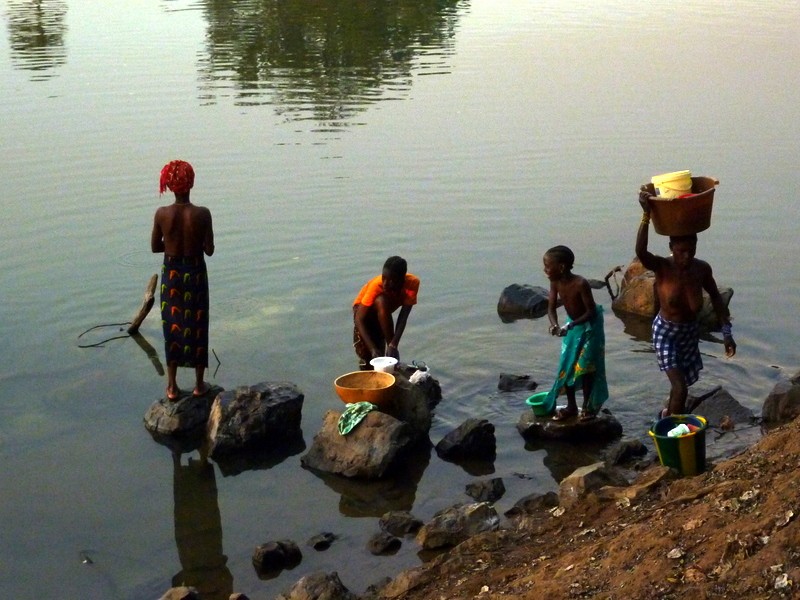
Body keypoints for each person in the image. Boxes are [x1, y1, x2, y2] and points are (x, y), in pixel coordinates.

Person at [636, 190, 736, 417]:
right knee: (680, 388)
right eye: (681, 252)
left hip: (689, 333)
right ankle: (673, 433)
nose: (687, 256)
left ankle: (666, 415)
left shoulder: (701, 269)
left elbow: (717, 299)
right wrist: (646, 215)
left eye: (692, 251)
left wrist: (727, 333)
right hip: (665, 333)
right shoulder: (662, 267)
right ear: (671, 248)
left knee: (681, 387)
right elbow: (640, 251)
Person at [151, 160, 215, 400]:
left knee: (172, 325)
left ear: (169, 186)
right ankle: (199, 385)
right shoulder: (203, 214)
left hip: (172, 273)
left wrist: (173, 244)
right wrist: (196, 242)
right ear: (191, 183)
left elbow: (155, 247)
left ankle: (172, 387)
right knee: (198, 325)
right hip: (196, 270)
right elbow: (209, 250)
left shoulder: (162, 214)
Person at [543, 245, 608, 421]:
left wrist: (570, 325)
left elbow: (591, 312)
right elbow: (550, 308)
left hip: (590, 327)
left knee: (585, 367)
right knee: (568, 364)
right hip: (572, 325)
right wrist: (554, 325)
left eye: (548, 266)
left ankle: (587, 407)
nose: (545, 270)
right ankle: (571, 406)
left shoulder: (580, 283)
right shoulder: (555, 282)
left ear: (561, 267)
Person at [352, 256, 419, 369]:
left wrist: (393, 344)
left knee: (383, 355)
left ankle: (391, 358)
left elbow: (403, 317)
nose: (385, 284)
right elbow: (359, 319)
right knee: (368, 357)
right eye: (384, 278)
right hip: (364, 314)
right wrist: (372, 349)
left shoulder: (412, 283)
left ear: (401, 281)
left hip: (382, 315)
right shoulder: (376, 285)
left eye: (391, 280)